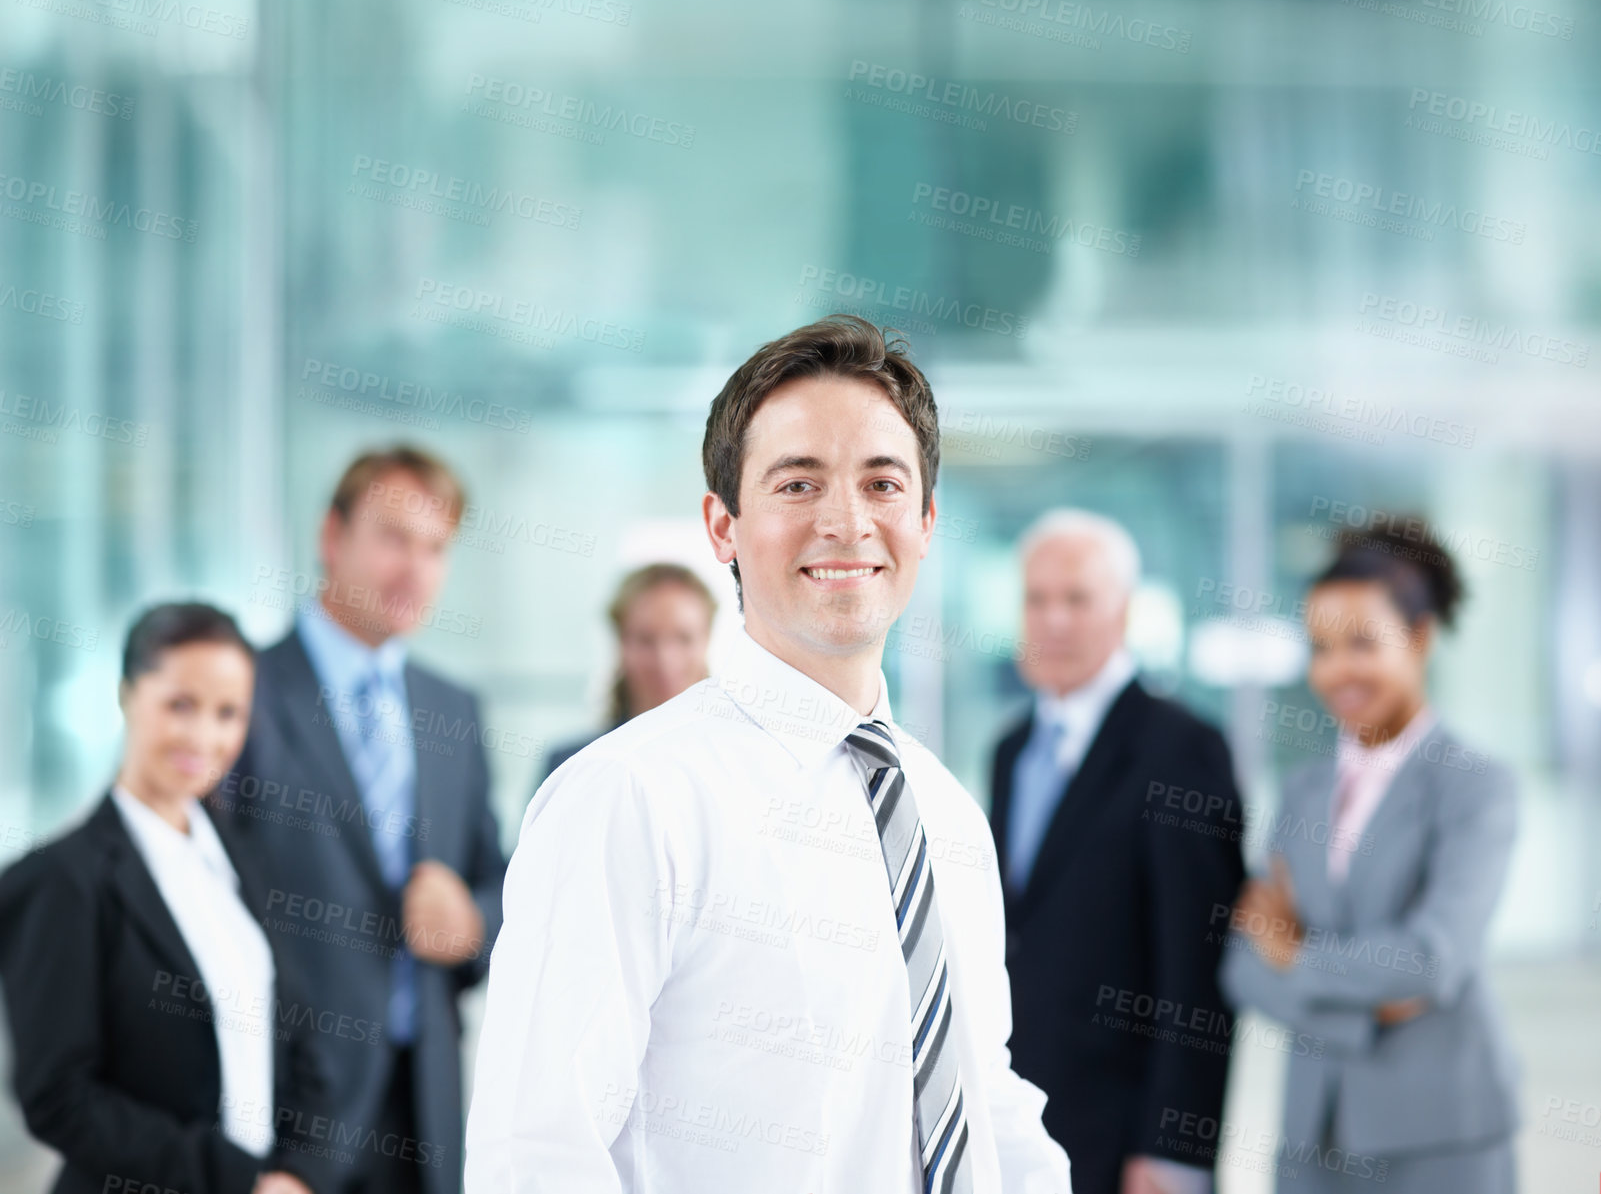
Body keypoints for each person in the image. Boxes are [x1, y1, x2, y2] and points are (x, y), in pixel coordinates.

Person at [465, 315, 1071, 1192]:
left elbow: (986, 1102)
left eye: (882, 483)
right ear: (722, 527)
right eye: (797, 483)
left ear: (927, 521)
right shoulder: (626, 797)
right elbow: (536, 1153)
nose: (846, 521)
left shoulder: (945, 815)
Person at [208, 446, 507, 1194]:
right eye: (392, 538)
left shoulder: (453, 710)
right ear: (331, 537)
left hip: (426, 1100)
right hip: (285, 1106)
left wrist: (470, 920)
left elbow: (499, 881)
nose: (416, 568)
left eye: (435, 548)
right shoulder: (240, 692)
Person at [1220, 520, 1520, 1193]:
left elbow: (1432, 958)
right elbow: (1244, 967)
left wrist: (1296, 954)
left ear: (1418, 639)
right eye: (1320, 647)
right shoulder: (1301, 790)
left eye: (1361, 642)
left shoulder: (1474, 784)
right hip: (1308, 1137)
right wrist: (1366, 1003)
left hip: (1440, 1131)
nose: (1336, 670)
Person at [0, 603, 338, 1194]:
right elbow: (59, 1097)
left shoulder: (241, 857)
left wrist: (299, 1171)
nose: (205, 737)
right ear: (128, 695)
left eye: (228, 713)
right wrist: (238, 1180)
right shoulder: (60, 880)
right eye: (181, 705)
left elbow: (298, 1038)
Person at [989, 510, 1244, 1194]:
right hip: (1022, 1127)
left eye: (1076, 598)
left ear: (1124, 611)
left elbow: (1199, 969)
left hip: (1126, 1138)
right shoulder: (1009, 751)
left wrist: (1173, 1150)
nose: (1053, 620)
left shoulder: (1181, 750)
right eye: (1036, 599)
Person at [539, 563, 716, 778]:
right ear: (621, 642)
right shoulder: (572, 766)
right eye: (645, 639)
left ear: (707, 639)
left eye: (683, 638)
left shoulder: (736, 759)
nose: (665, 659)